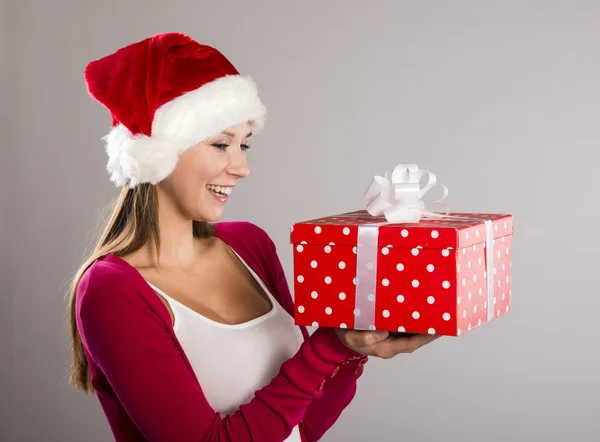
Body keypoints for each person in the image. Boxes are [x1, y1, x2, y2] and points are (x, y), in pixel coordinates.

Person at [67, 32, 440, 442]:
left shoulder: (249, 244)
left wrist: (356, 345)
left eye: (244, 145)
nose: (241, 167)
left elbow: (303, 426)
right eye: (221, 144)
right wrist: (332, 347)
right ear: (157, 152)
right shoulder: (111, 291)